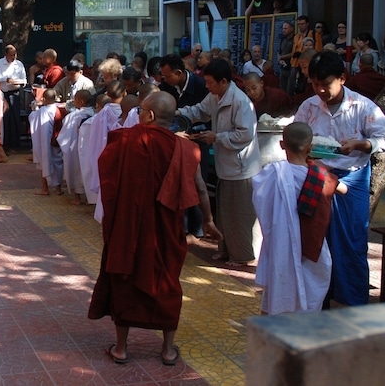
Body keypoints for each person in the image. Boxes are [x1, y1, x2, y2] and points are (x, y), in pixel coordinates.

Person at [88, 92, 222, 366]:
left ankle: (122, 348)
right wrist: (208, 220)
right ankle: (167, 350)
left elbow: (106, 170)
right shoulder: (185, 149)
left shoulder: (126, 140)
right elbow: (199, 187)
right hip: (166, 230)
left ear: (148, 115)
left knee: (125, 278)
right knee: (167, 282)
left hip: (129, 226)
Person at [294, 51, 385, 306]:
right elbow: (298, 137)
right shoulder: (309, 106)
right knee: (315, 240)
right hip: (317, 176)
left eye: (325, 85)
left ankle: (352, 301)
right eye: (315, 84)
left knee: (351, 240)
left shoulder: (364, 107)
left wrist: (361, 144)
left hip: (352, 178)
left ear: (342, 78)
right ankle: (318, 299)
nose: (320, 91)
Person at [252, 122, 345, 315]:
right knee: (310, 289)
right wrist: (318, 166)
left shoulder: (272, 173)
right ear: (311, 148)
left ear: (281, 144)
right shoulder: (321, 177)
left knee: (276, 292)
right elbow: (344, 189)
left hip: (281, 244)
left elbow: (260, 199)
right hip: (310, 246)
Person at [177, 59, 262, 266]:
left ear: (223, 81)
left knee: (239, 214)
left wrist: (217, 137)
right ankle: (226, 249)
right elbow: (198, 111)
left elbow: (245, 134)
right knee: (224, 211)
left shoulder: (241, 102)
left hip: (241, 167)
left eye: (210, 82)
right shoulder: (215, 96)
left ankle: (244, 256)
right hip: (225, 164)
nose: (207, 86)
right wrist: (174, 113)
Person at [57, 90, 95, 205]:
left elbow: (64, 136)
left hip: (74, 148)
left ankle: (77, 198)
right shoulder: (94, 114)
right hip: (89, 149)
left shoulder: (73, 116)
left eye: (75, 100)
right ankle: (90, 199)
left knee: (75, 170)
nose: (74, 102)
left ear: (81, 101)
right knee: (88, 171)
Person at [29, 89, 63, 195]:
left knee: (44, 162)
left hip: (44, 143)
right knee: (58, 163)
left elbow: (33, 118)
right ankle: (58, 189)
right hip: (56, 142)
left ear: (44, 99)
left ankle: (45, 189)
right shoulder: (59, 109)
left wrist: (34, 110)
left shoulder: (42, 111)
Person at [0, 44, 27, 151]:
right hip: (3, 93)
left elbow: (24, 80)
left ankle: (15, 144)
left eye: (14, 55)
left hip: (15, 92)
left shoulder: (19, 64)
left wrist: (18, 82)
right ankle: (5, 145)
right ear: (6, 54)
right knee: (5, 119)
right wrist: (6, 79)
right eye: (11, 55)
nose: (13, 57)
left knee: (15, 118)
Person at [277, 20, 296, 93]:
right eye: (283, 28)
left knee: (290, 89)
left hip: (291, 67)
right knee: (282, 88)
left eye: (285, 28)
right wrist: (279, 59)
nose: (283, 30)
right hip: (283, 67)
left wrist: (282, 57)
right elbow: (279, 51)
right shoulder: (283, 38)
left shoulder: (295, 39)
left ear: (291, 29)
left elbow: (294, 52)